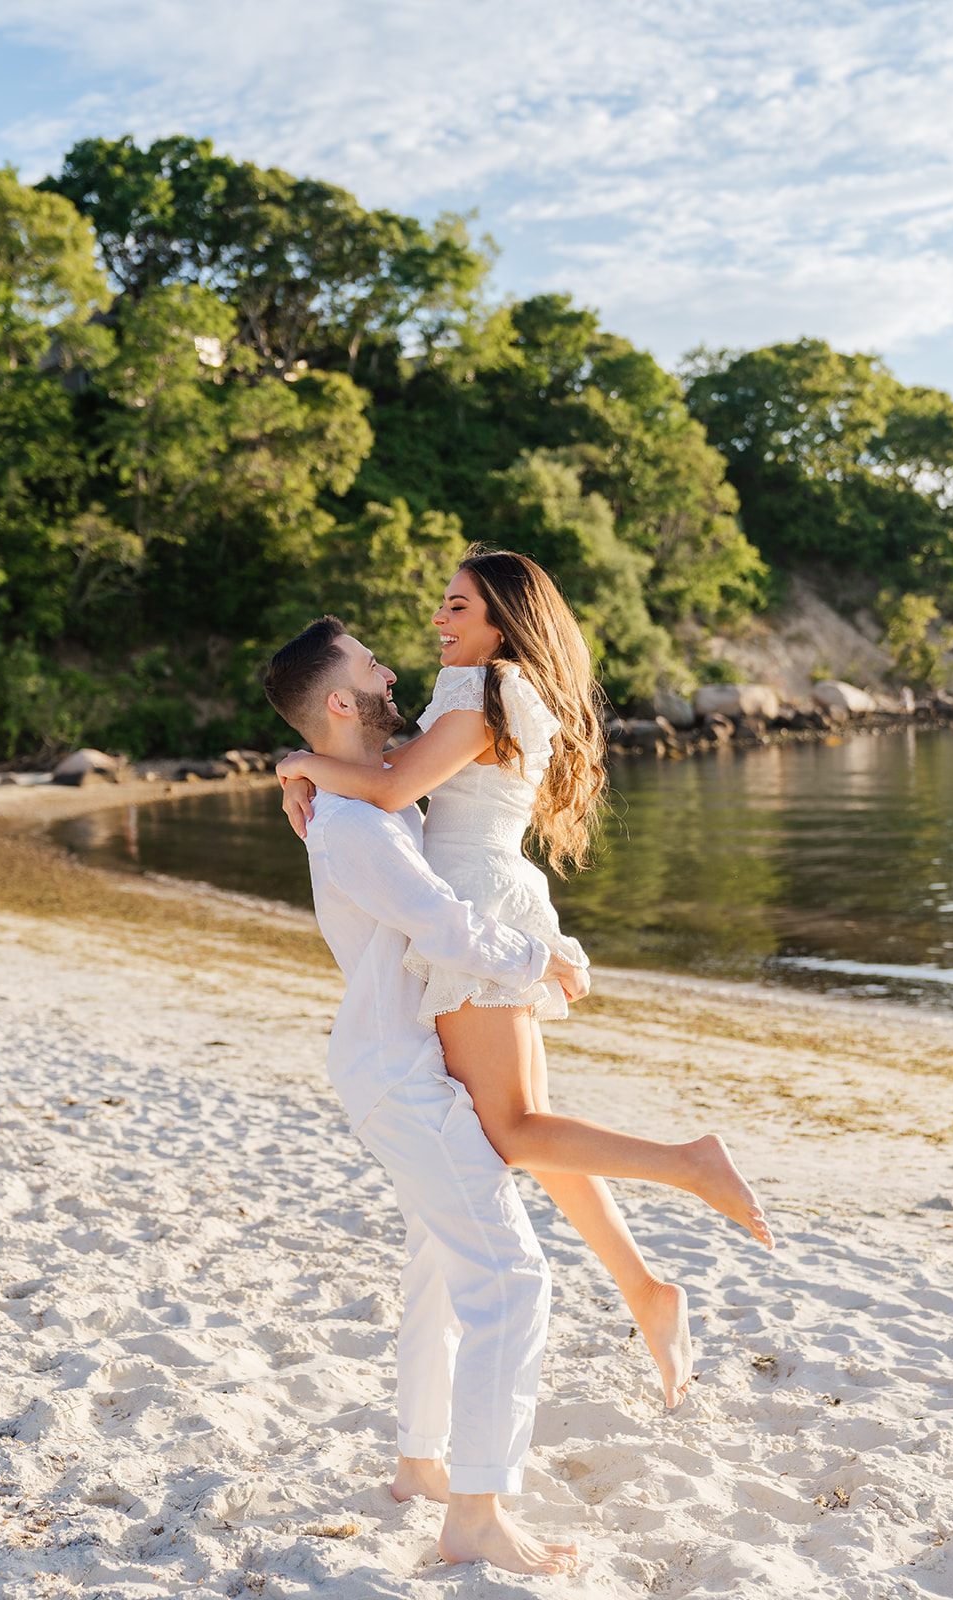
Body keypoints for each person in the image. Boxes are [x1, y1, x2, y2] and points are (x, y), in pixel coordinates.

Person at [276, 551, 774, 1411]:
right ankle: (643, 1288)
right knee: (531, 1131)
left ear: (502, 621)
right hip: (487, 889)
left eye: (458, 606)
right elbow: (394, 774)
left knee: (508, 1131)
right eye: (442, 603)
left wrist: (302, 764)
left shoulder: (482, 691)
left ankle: (688, 1164)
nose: (440, 619)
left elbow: (392, 788)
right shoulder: (481, 688)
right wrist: (301, 764)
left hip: (472, 901)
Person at [263, 615, 585, 1576]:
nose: (391, 666)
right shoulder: (359, 822)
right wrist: (545, 961)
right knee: (512, 1278)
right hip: (399, 1075)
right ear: (337, 699)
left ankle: (418, 1464)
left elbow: (408, 768)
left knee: (439, 1267)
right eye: (369, 664)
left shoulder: (362, 795)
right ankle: (476, 1515)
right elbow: (441, 925)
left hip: (406, 1065)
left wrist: (298, 765)